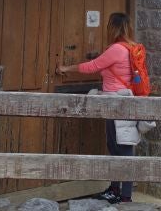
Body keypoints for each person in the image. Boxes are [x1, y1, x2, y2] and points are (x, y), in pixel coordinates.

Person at [56, 13, 139, 204]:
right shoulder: (130, 48)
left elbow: (92, 66)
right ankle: (116, 189)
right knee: (118, 145)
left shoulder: (117, 49)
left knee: (122, 148)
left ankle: (124, 196)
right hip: (123, 101)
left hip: (115, 103)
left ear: (114, 28)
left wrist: (66, 69)